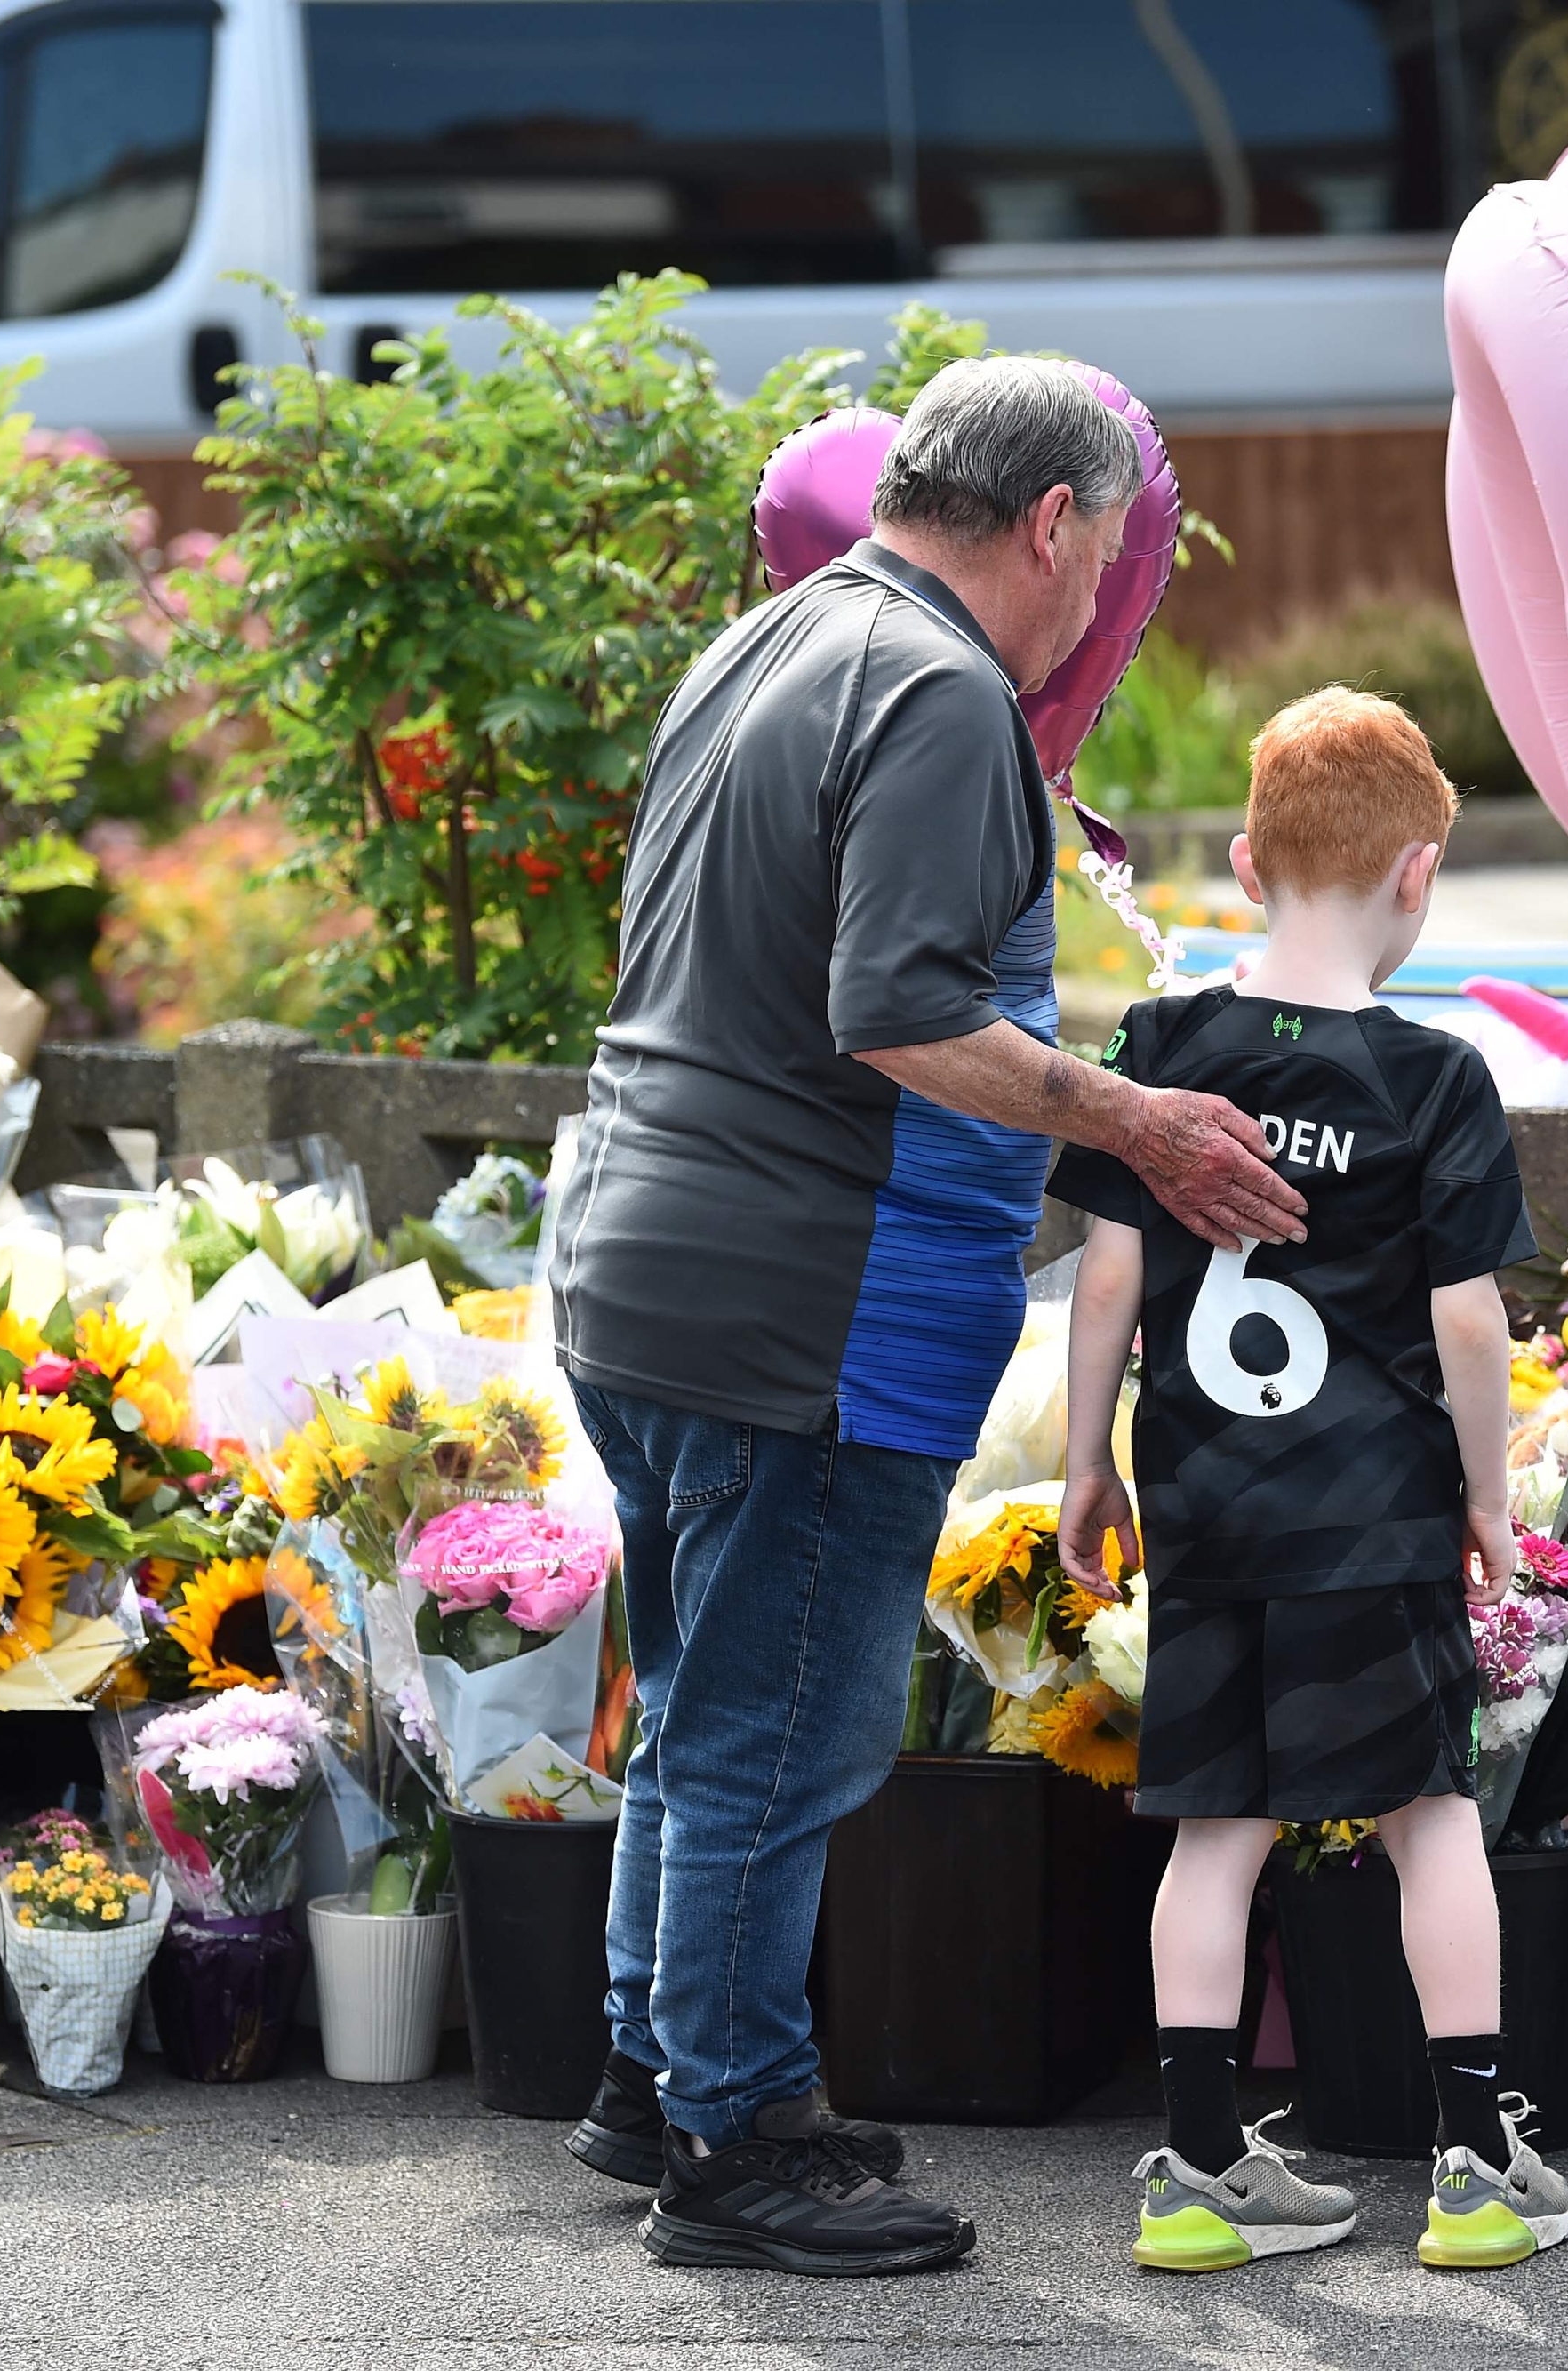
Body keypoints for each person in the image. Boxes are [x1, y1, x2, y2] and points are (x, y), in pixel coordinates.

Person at [547, 356, 1308, 2279]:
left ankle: (659, 2069)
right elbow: (891, 1008)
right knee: (774, 1735)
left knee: (702, 1705)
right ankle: (734, 2139)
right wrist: (1135, 1119)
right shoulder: (942, 688)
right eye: (1112, 549)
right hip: (806, 1304)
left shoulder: (773, 637)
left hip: (640, 1262)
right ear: (1052, 522)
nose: (1101, 594)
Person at [1050, 688, 1568, 2275]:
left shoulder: (1162, 1049)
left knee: (1216, 1829)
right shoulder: (1433, 1080)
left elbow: (1101, 1277)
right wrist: (1486, 1495)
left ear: (1243, 857)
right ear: (1420, 875)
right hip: (1372, 1518)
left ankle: (1199, 2168)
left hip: (1209, 1513)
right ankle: (1476, 2161)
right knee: (1430, 1819)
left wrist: (1086, 1460)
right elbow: (1468, 1315)